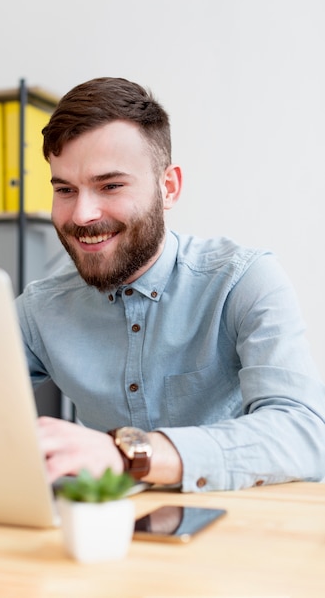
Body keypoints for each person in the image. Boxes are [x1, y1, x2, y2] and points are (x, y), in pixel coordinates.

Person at [16, 76, 325, 492]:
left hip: (239, 532)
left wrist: (132, 453)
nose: (83, 214)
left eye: (110, 185)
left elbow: (304, 434)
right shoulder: (39, 309)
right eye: (65, 189)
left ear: (169, 188)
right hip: (109, 531)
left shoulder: (244, 280)